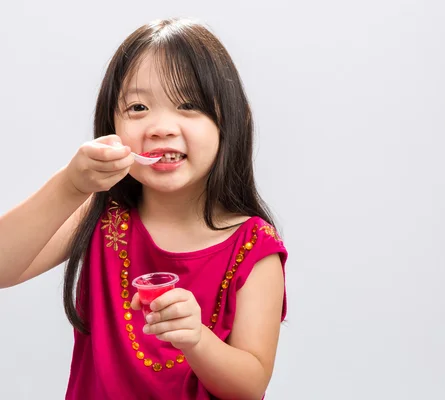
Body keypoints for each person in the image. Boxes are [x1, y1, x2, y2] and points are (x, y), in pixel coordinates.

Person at [0, 17, 288, 400]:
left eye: (188, 105)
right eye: (138, 107)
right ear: (111, 126)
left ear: (229, 122)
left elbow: (250, 387)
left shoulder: (253, 246)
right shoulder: (100, 215)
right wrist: (70, 186)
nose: (161, 127)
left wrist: (196, 339)